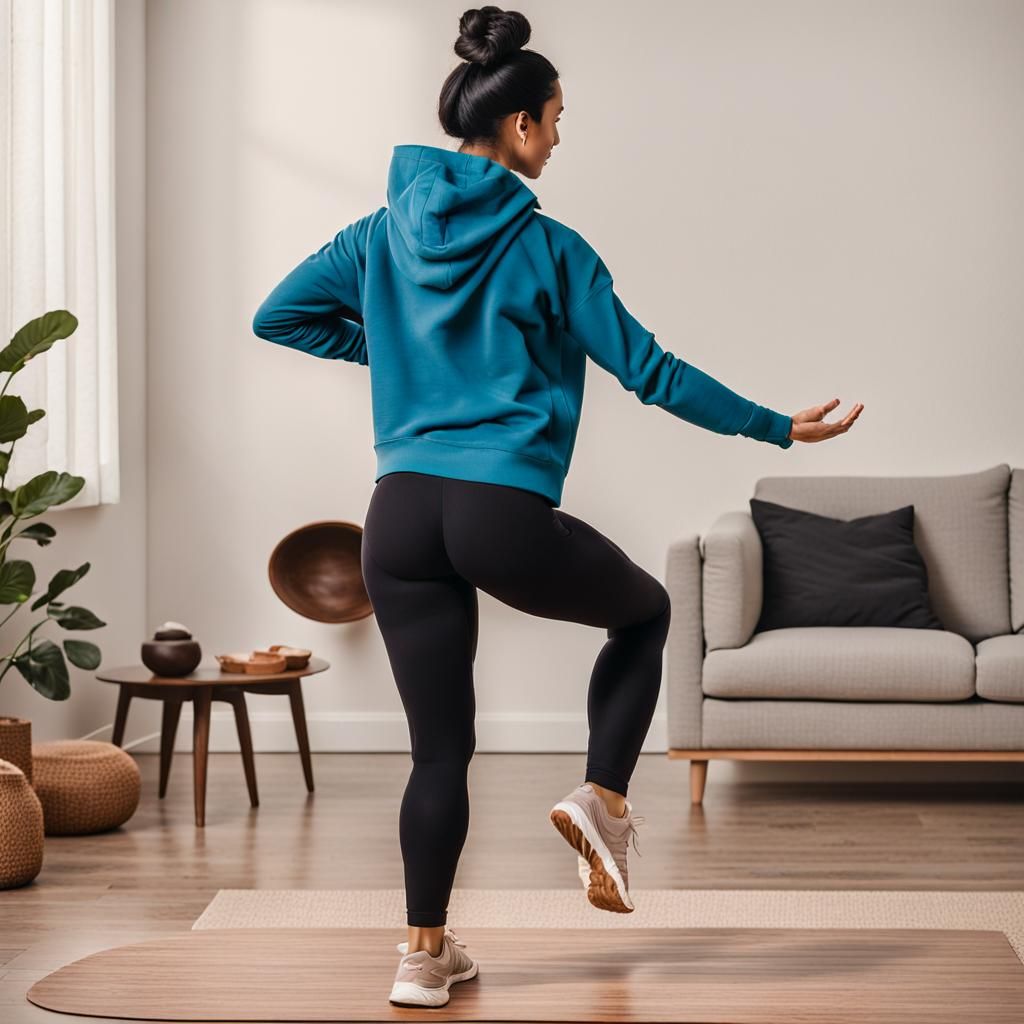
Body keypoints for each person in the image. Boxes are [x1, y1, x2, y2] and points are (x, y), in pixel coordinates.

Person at [252, 5, 863, 1008]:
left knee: (437, 752)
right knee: (648, 612)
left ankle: (421, 957)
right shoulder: (549, 248)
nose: (560, 137)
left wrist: (399, 358)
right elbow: (653, 372)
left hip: (397, 518)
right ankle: (603, 800)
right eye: (558, 118)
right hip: (497, 508)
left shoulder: (375, 235)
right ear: (520, 124)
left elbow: (278, 315)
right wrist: (774, 427)